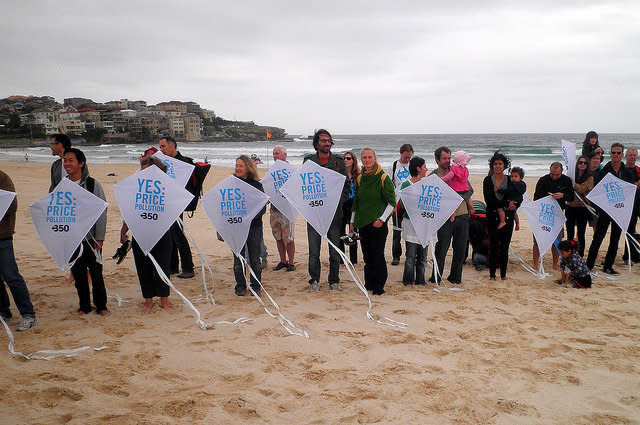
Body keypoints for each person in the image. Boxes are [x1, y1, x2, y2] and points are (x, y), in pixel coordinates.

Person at [120, 149, 172, 313]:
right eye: (143, 170)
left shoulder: (167, 187)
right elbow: (130, 210)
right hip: (141, 233)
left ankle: (164, 302)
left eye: (148, 170)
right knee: (143, 268)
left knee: (163, 267)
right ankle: (148, 302)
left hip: (163, 233)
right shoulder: (137, 188)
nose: (145, 173)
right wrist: (123, 230)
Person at [64, 148, 109, 316]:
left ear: (81, 163)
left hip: (91, 239)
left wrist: (100, 237)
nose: (67, 164)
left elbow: (101, 211)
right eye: (65, 160)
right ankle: (84, 306)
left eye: (71, 160)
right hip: (72, 238)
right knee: (78, 275)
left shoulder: (92, 184)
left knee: (97, 274)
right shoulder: (62, 186)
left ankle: (101, 306)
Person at [303, 129, 348, 292]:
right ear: (316, 143)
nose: (327, 143)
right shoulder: (309, 161)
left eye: (329, 140)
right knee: (314, 252)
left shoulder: (338, 161)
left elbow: (346, 185)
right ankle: (314, 280)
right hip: (314, 214)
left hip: (334, 215)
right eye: (323, 140)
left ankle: (334, 280)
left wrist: (338, 202)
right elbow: (304, 186)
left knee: (335, 251)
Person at [350, 148, 395, 295]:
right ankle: (368, 284)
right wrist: (352, 222)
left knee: (377, 255)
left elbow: (392, 203)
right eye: (364, 157)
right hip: (363, 223)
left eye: (370, 157)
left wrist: (381, 220)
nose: (367, 160)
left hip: (377, 225)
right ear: (361, 160)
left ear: (375, 158)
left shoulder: (383, 178)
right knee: (367, 256)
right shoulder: (359, 179)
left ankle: (379, 287)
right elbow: (356, 203)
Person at [586, 143, 636, 274]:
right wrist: (598, 208)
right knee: (598, 238)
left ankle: (608, 266)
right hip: (605, 210)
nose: (616, 155)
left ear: (622, 155)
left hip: (619, 210)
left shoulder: (626, 172)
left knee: (615, 239)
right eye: (613, 152)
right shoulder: (604, 171)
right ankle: (589, 265)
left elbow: (630, 191)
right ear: (610, 154)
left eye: (619, 153)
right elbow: (597, 190)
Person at [0, 169, 36, 331]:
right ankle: (3, 311)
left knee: (11, 276)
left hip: (3, 236)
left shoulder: (2, 178)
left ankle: (28, 314)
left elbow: (11, 205)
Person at [430, 146, 472, 284]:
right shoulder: (433, 176)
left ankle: (455, 277)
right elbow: (430, 195)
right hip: (444, 218)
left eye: (449, 158)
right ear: (437, 159)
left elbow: (468, 191)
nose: (447, 161)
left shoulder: (458, 171)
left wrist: (455, 195)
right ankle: (436, 276)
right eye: (444, 158)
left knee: (460, 250)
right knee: (441, 249)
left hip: (462, 214)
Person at [159, 136, 195, 279]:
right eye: (160, 147)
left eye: (163, 146)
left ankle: (188, 268)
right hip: (167, 202)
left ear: (172, 145)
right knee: (170, 235)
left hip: (178, 202)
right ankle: (173, 266)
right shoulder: (162, 162)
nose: (161, 149)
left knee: (178, 235)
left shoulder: (183, 163)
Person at [232, 155, 266, 296]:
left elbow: (262, 208)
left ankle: (255, 285)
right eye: (236, 165)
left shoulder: (257, 185)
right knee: (238, 257)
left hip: (254, 226)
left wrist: (249, 218)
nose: (237, 168)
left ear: (248, 168)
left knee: (254, 257)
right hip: (236, 227)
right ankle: (240, 285)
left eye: (241, 166)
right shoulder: (231, 184)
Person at [532, 162, 574, 270]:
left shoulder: (566, 180)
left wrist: (562, 195)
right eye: (552, 174)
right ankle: (535, 264)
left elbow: (571, 197)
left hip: (558, 215)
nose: (554, 176)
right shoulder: (543, 180)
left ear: (561, 172)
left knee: (557, 242)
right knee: (537, 240)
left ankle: (555, 265)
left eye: (557, 175)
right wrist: (548, 198)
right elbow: (536, 198)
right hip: (543, 214)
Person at [483, 151, 516, 280]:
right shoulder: (487, 180)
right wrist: (505, 203)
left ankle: (503, 275)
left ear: (504, 165)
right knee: (493, 245)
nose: (497, 166)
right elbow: (489, 200)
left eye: (500, 164)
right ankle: (492, 275)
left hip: (508, 217)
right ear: (492, 166)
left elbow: (514, 196)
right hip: (492, 216)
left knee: (505, 247)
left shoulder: (509, 180)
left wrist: (513, 204)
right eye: (495, 164)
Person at [399, 156, 427, 286]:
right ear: (418, 168)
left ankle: (421, 280)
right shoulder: (406, 184)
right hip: (411, 224)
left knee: (423, 256)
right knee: (410, 256)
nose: (426, 169)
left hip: (424, 225)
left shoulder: (427, 184)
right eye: (424, 167)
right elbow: (404, 205)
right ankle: (408, 280)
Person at [270, 145, 296, 272]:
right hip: (274, 209)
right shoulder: (272, 170)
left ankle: (291, 262)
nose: (275, 156)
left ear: (284, 155)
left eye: (277, 153)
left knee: (289, 238)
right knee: (278, 236)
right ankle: (282, 261)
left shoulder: (291, 170)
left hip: (287, 209)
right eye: (274, 153)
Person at [388, 144, 413, 265]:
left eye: (409, 157)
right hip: (397, 203)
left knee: (411, 231)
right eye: (405, 157)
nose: (407, 160)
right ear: (400, 154)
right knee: (397, 231)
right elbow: (389, 185)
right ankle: (396, 256)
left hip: (411, 203)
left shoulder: (413, 166)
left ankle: (411, 255)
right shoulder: (393, 166)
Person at [565, 156, 594, 257]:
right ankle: (569, 254)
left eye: (585, 163)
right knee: (569, 233)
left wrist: (573, 183)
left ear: (587, 165)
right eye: (580, 162)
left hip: (583, 208)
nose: (582, 165)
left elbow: (581, 189)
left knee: (581, 234)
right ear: (577, 164)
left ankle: (580, 256)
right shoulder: (572, 176)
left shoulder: (590, 178)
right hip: (570, 206)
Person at [339, 150, 360, 265]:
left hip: (354, 206)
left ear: (353, 161)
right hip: (342, 205)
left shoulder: (358, 175)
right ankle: (342, 260)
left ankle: (354, 260)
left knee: (353, 233)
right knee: (341, 234)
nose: (346, 160)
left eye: (349, 158)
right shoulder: (340, 175)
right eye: (344, 158)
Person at [622, 148, 640, 263]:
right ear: (625, 156)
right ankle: (628, 256)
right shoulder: (622, 170)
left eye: (634, 155)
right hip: (627, 204)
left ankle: (635, 254)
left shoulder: (638, 170)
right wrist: (635, 185)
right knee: (628, 230)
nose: (632, 157)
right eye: (630, 155)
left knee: (633, 230)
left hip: (638, 202)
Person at [495, 167, 526, 231]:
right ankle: (517, 224)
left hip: (515, 201)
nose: (513, 178)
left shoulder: (517, 185)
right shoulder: (519, 184)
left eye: (515, 176)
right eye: (512, 176)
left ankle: (502, 221)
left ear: (521, 178)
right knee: (514, 213)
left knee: (500, 208)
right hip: (514, 201)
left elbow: (506, 190)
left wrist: (499, 190)